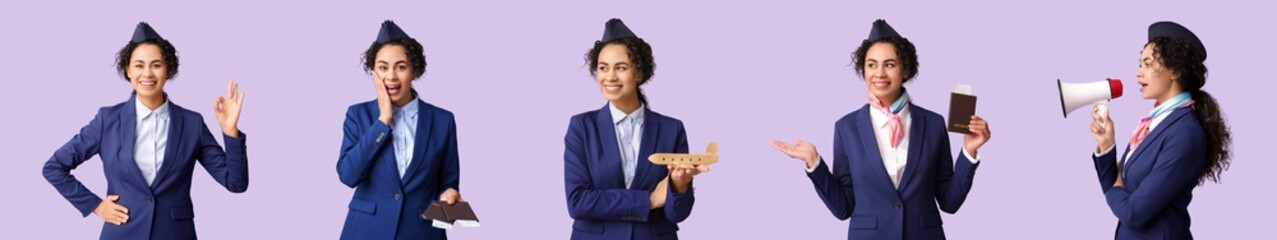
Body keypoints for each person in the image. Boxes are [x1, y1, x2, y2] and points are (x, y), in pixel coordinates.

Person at [769, 19, 991, 239]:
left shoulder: (933, 124)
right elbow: (843, 208)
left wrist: (969, 153)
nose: (880, 74)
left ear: (905, 69)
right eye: (872, 64)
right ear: (863, 70)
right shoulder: (846, 128)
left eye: (890, 64)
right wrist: (814, 163)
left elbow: (950, 202)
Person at [42, 22, 250, 239]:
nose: (147, 74)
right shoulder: (107, 120)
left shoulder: (192, 123)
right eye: (139, 65)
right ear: (128, 70)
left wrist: (230, 131)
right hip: (122, 233)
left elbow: (235, 183)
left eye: (156, 65)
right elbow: (54, 167)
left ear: (168, 70)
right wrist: (95, 205)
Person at [563, 18, 710, 240]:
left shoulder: (672, 128)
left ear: (638, 72)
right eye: (603, 68)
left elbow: (677, 213)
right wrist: (650, 200)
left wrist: (678, 187)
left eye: (620, 68)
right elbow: (578, 202)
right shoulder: (582, 127)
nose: (610, 77)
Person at [1086, 21, 1231, 239]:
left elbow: (1133, 213)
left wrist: (1116, 188)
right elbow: (1120, 188)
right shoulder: (1154, 123)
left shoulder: (1185, 134)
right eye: (1140, 64)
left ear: (1174, 70)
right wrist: (1107, 145)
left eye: (1147, 63)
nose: (1138, 73)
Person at [336, 20, 464, 240]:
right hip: (366, 231)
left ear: (414, 70)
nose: (391, 76)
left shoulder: (443, 120)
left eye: (401, 66)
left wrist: (449, 193)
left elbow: (448, 180)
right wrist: (383, 121)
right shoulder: (358, 115)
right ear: (373, 72)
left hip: (421, 232)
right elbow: (348, 175)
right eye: (383, 67)